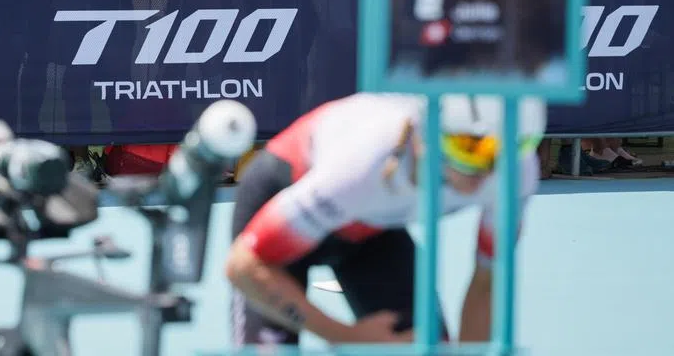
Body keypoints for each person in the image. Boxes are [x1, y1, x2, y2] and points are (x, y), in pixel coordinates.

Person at [226, 93, 546, 347]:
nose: (485, 172)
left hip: (370, 231)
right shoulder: (361, 164)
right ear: (426, 135)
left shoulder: (516, 175)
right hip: (286, 194)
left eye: (508, 150)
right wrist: (343, 335)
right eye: (468, 149)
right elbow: (243, 266)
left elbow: (485, 282)